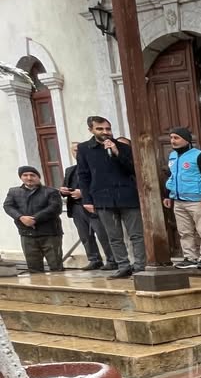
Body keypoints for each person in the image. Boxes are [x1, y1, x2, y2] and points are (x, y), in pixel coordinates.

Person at [76, 116, 145, 279]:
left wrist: (116, 152)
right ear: (91, 130)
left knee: (136, 234)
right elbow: (83, 175)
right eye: (100, 129)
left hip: (127, 196)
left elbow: (133, 169)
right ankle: (123, 265)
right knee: (114, 236)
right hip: (102, 198)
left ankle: (141, 265)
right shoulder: (84, 149)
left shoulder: (122, 147)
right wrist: (87, 200)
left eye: (108, 129)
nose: (105, 132)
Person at [163, 126, 201, 269]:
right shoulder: (172, 156)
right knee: (185, 232)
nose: (172, 141)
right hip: (179, 201)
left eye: (176, 138)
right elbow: (172, 177)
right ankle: (190, 257)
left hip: (198, 201)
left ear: (186, 140)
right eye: (171, 138)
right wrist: (168, 195)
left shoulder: (199, 155)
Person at [60, 141, 114, 271]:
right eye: (74, 151)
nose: (77, 153)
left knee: (102, 234)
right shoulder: (70, 170)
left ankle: (112, 260)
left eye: (79, 150)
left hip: (94, 205)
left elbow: (102, 186)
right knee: (85, 235)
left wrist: (83, 193)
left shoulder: (95, 167)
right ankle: (94, 259)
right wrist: (63, 191)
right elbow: (65, 186)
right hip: (76, 207)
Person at [4, 166, 63, 273]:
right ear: (21, 177)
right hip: (27, 233)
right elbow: (8, 206)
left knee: (56, 267)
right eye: (25, 175)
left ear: (38, 177)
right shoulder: (14, 192)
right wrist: (21, 217)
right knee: (34, 269)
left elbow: (55, 208)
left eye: (32, 175)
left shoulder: (51, 192)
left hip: (50, 233)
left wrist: (35, 219)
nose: (29, 178)